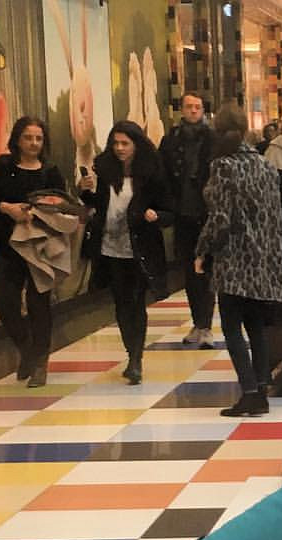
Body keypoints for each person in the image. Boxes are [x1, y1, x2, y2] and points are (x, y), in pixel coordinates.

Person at [195, 103, 282, 417]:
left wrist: (202, 250)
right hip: (263, 258)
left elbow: (220, 218)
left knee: (232, 327)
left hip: (234, 258)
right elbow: (274, 216)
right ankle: (261, 390)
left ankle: (248, 392)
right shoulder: (265, 165)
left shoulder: (223, 166)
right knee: (256, 326)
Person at [79, 120, 174, 386]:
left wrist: (156, 215)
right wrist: (85, 190)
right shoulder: (103, 170)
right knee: (121, 302)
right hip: (110, 247)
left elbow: (169, 210)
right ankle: (131, 351)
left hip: (141, 247)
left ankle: (136, 359)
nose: (119, 148)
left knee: (137, 300)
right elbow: (96, 204)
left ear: (136, 144)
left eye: (125, 143)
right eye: (115, 143)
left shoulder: (152, 172)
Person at [0, 116, 66, 387]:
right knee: (6, 303)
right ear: (17, 139)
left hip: (39, 247)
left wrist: (41, 211)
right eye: (28, 137)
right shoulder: (4, 166)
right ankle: (26, 348)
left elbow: (61, 204)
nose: (34, 143)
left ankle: (40, 362)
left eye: (38, 138)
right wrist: (7, 208)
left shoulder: (50, 171)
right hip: (8, 245)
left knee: (39, 305)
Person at [158, 91, 216, 345]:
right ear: (182, 109)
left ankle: (206, 324)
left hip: (207, 213)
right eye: (189, 106)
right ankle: (197, 323)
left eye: (197, 107)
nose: (193, 111)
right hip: (182, 212)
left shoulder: (213, 139)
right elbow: (162, 173)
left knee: (207, 268)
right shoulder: (171, 140)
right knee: (189, 271)